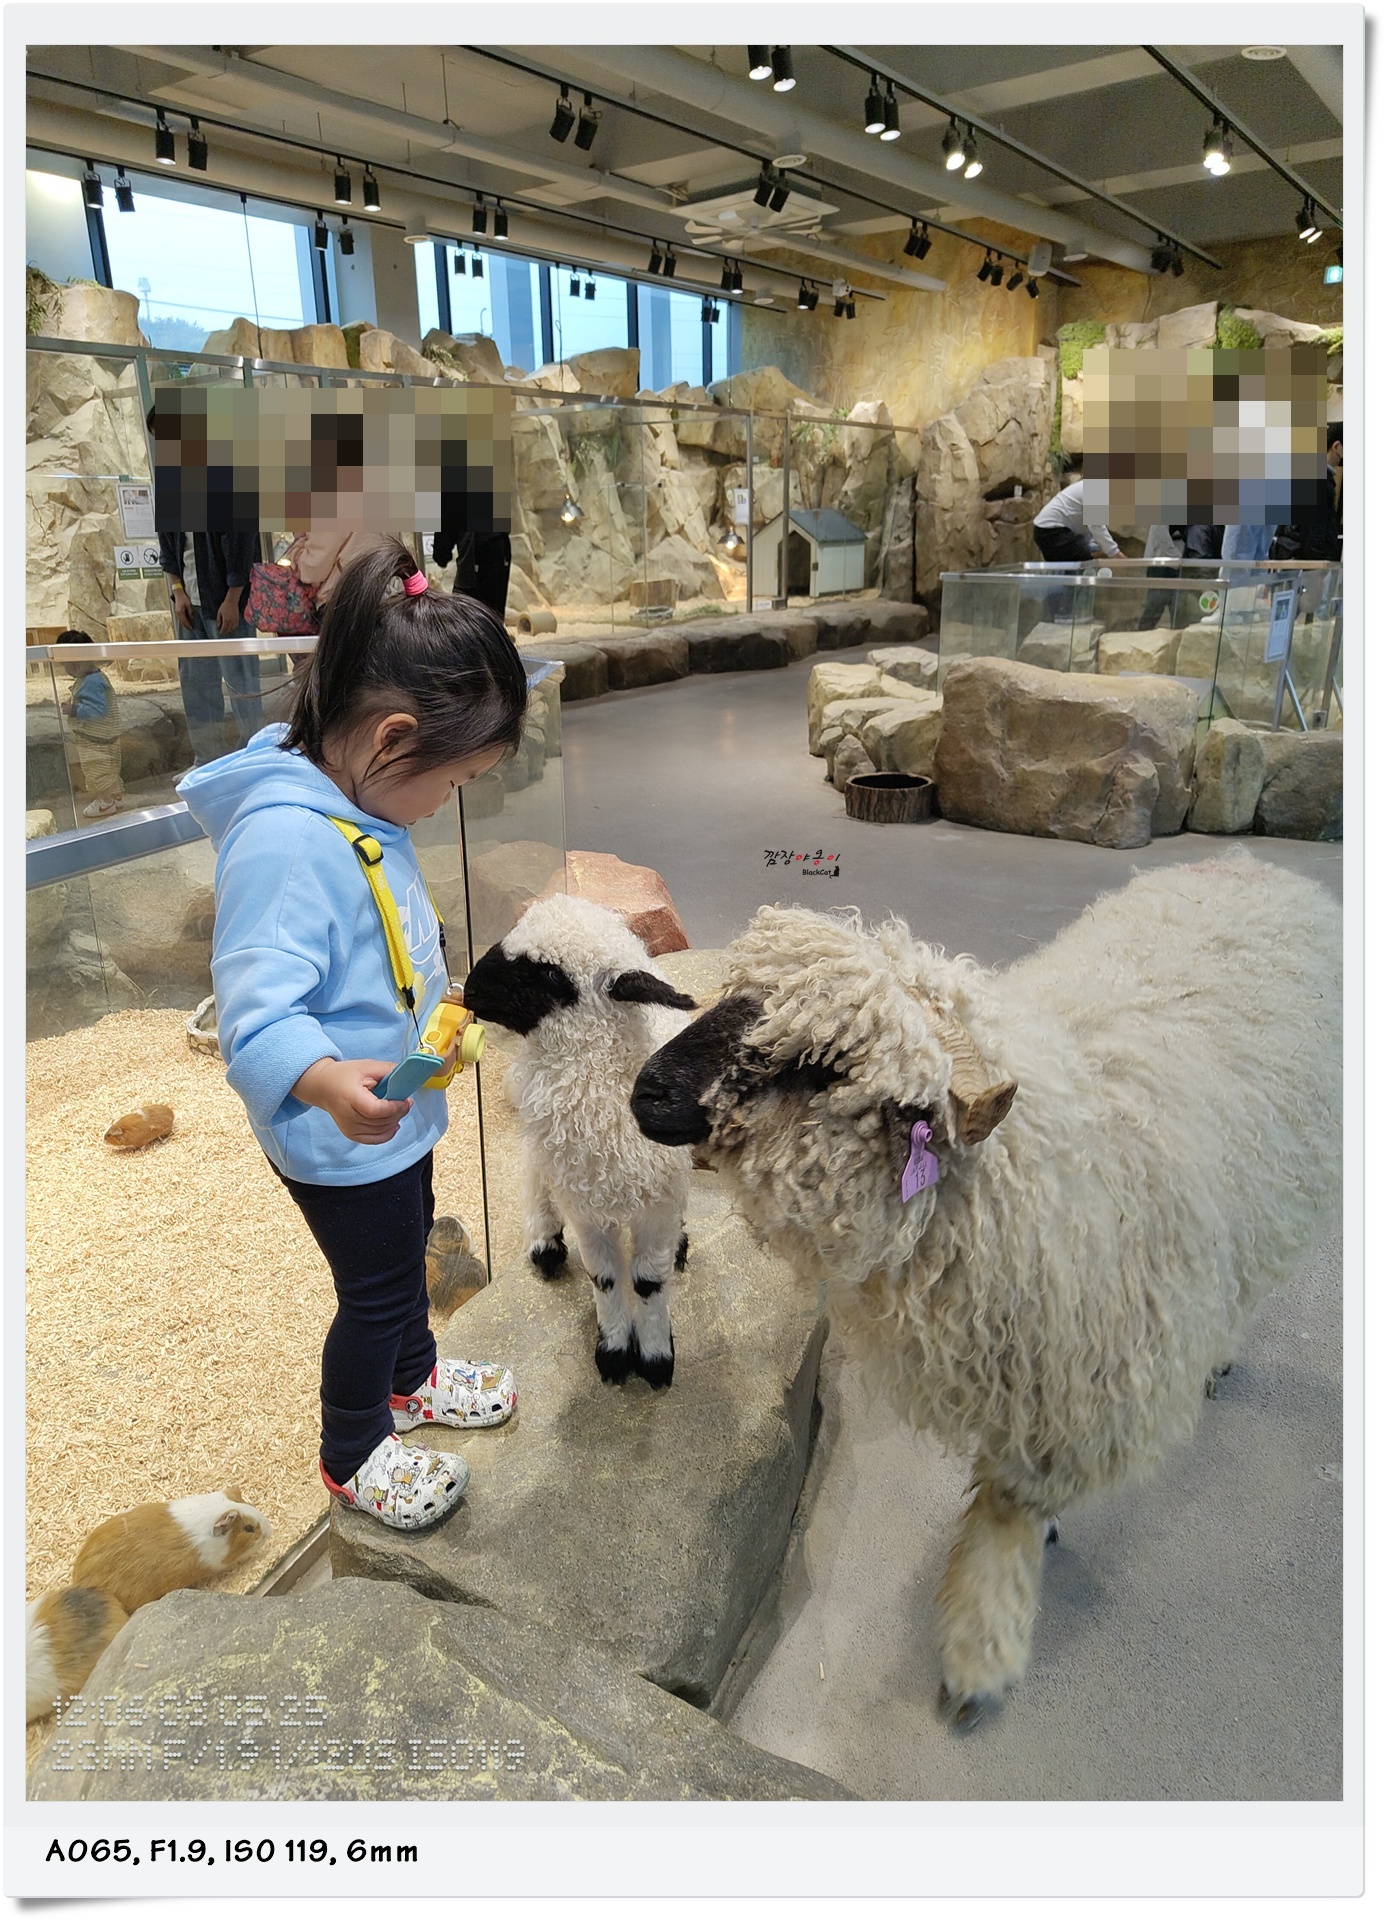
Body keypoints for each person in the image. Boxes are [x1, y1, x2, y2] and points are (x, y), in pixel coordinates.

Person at [177, 537, 529, 1531]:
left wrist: (434, 1027)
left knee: (409, 1247)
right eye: (453, 782)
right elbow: (254, 1016)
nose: (447, 804)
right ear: (391, 740)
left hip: (393, 1112)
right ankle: (354, 1452)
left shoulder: (358, 806)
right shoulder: (289, 842)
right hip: (340, 1129)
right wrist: (327, 1081)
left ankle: (412, 1383)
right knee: (374, 1291)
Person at [158, 528, 265, 766]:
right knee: (195, 683)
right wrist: (178, 591)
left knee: (242, 683)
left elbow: (242, 544)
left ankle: (253, 759)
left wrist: (233, 599)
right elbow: (167, 545)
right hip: (189, 605)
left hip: (227, 603)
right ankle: (206, 760)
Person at [57, 630, 125, 819]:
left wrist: (74, 709)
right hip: (108, 736)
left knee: (96, 771)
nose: (65, 669)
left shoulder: (90, 682)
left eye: (65, 665)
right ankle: (116, 797)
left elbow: (96, 710)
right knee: (111, 769)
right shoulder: (97, 677)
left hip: (94, 739)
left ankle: (105, 802)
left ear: (76, 665)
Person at [432, 531, 513, 619]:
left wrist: (440, 557)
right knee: (493, 611)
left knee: (465, 611)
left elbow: (441, 550)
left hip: (479, 550)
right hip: (500, 544)